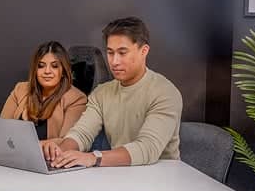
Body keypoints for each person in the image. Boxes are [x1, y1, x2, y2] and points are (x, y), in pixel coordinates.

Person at [42, 17, 182, 168]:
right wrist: (60, 153)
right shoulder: (101, 93)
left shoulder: (165, 93)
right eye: (110, 53)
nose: (114, 61)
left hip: (161, 178)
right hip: (120, 175)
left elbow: (148, 148)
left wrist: (93, 158)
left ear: (144, 51)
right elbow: (81, 134)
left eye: (122, 53)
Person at [0, 41, 87, 156]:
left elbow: (69, 141)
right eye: (41, 66)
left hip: (44, 155)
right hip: (11, 150)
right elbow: (2, 126)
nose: (47, 71)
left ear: (63, 71)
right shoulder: (21, 89)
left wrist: (35, 146)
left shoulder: (76, 98)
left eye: (54, 66)